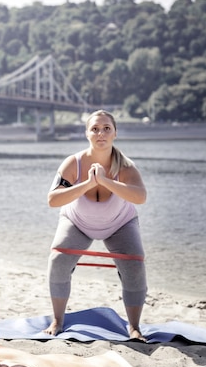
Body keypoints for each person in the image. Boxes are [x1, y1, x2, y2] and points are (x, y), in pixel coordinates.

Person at [43, 110, 148, 340]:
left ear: (115, 134)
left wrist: (106, 181)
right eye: (95, 129)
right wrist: (88, 183)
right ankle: (58, 320)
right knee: (58, 260)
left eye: (106, 128)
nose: (101, 133)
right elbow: (53, 200)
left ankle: (134, 327)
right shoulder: (73, 163)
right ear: (86, 134)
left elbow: (141, 197)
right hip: (77, 222)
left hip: (120, 223)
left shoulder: (126, 166)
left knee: (135, 265)